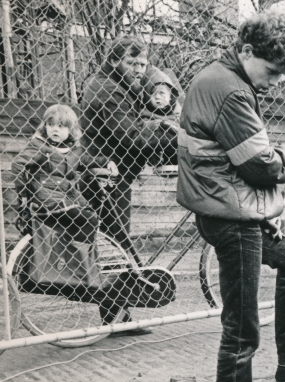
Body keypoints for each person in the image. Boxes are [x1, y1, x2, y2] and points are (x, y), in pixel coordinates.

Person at [177, 6, 285, 382]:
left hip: (235, 210)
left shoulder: (225, 78)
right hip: (232, 219)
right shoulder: (230, 90)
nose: (277, 80)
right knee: (242, 330)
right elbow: (262, 166)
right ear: (248, 50)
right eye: (274, 71)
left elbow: (243, 162)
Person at [81, 35, 177, 332]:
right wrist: (166, 129)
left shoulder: (118, 85)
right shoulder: (108, 90)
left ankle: (118, 317)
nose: (138, 69)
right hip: (105, 175)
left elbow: (147, 97)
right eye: (131, 62)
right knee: (114, 245)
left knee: (115, 245)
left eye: (142, 63)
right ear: (113, 61)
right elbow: (131, 135)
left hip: (111, 173)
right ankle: (115, 319)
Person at [12, 104, 109, 252]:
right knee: (90, 221)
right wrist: (24, 194)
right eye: (50, 124)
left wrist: (107, 162)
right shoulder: (39, 146)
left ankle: (69, 255)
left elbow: (88, 160)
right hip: (47, 200)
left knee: (90, 217)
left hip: (67, 197)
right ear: (45, 126)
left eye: (61, 126)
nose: (55, 129)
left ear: (71, 129)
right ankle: (78, 259)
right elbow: (18, 164)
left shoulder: (74, 150)